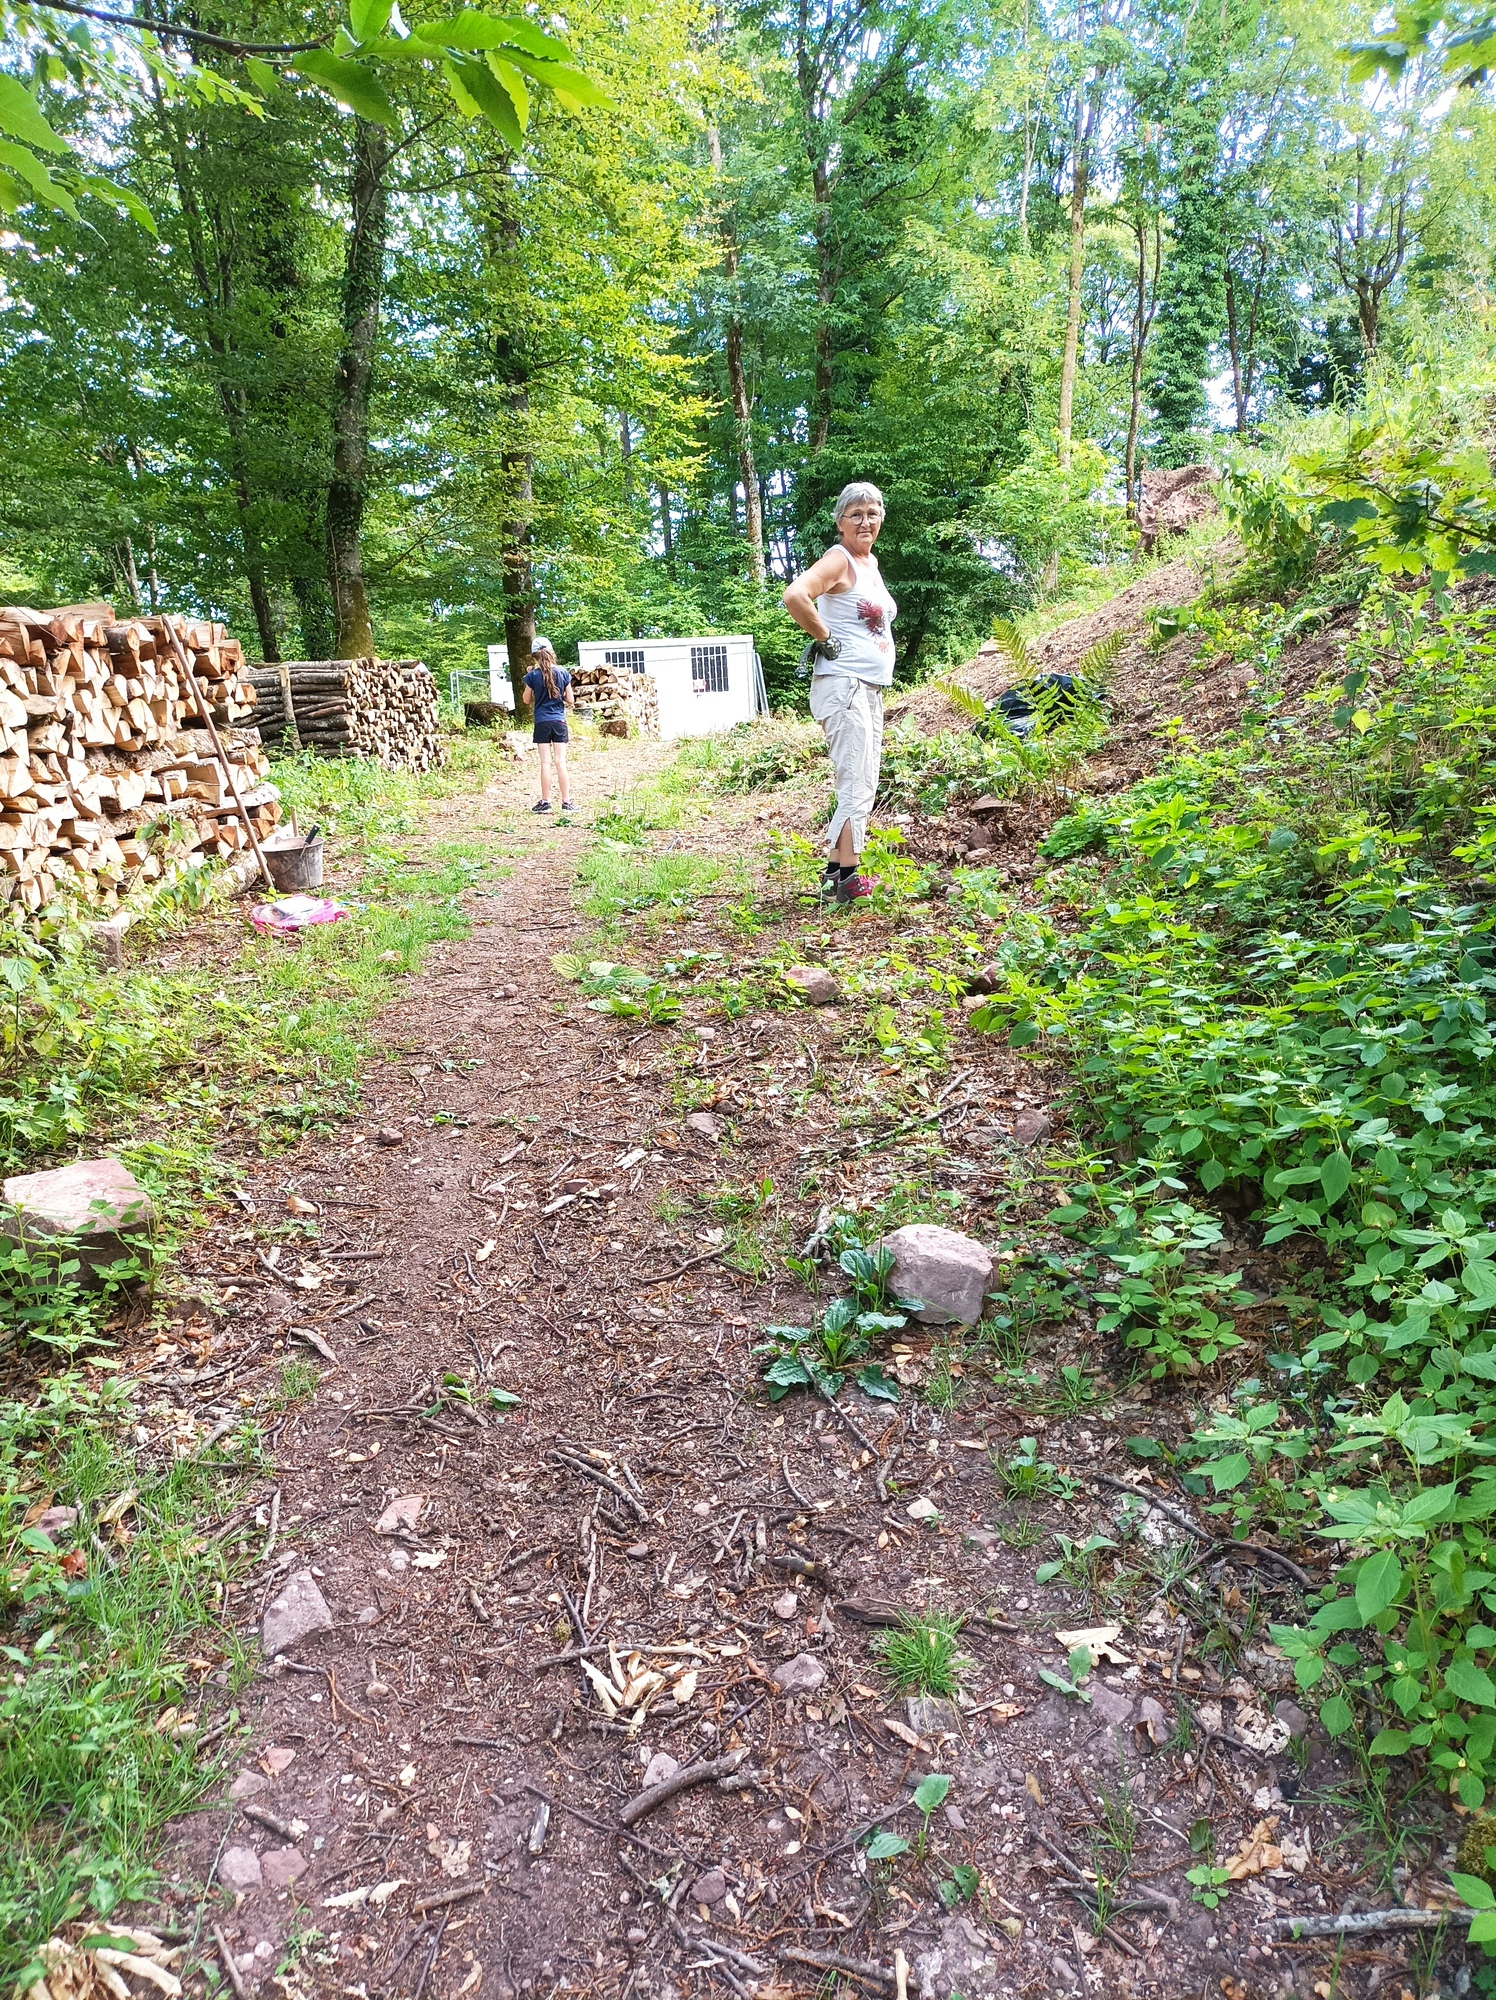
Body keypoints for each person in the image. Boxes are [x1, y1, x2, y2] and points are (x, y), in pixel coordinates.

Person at [781, 481, 896, 903]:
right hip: (845, 684)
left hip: (867, 686)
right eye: (856, 515)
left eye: (872, 513)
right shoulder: (838, 559)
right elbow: (796, 595)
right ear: (840, 522)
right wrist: (825, 638)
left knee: (862, 777)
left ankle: (835, 876)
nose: (866, 521)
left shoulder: (870, 563)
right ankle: (848, 880)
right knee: (855, 779)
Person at [521, 636, 575, 814]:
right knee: (561, 762)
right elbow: (570, 700)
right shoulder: (563, 673)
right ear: (551, 653)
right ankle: (566, 802)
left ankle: (546, 802)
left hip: (542, 721)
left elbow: (526, 700)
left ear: (534, 656)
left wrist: (531, 679)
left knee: (545, 762)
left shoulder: (532, 676)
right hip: (559, 721)